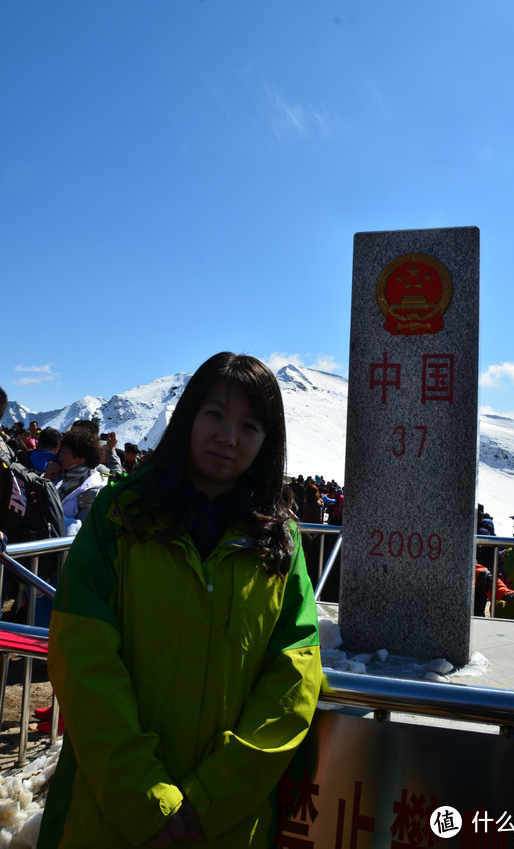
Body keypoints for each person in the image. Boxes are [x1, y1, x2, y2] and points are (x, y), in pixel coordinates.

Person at [38, 352, 322, 849]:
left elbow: (294, 678)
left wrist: (210, 798)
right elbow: (82, 658)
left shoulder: (280, 543)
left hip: (225, 828)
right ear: (187, 416)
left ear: (268, 440)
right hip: (111, 819)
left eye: (250, 425)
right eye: (214, 415)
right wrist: (144, 798)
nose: (228, 437)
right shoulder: (119, 516)